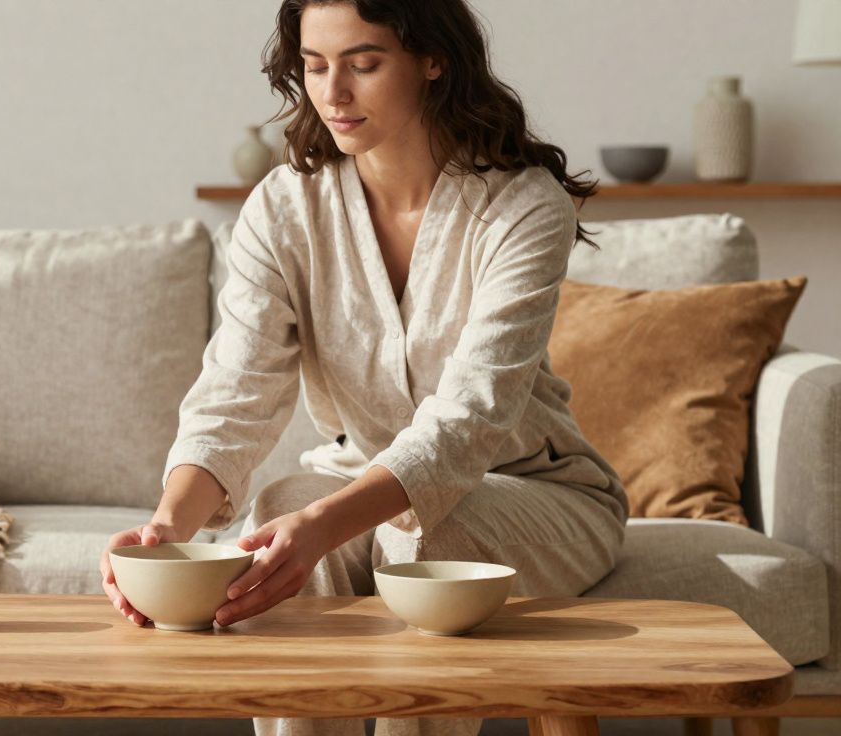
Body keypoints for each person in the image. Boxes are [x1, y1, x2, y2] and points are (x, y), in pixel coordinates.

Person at [100, 1, 630, 734]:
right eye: (315, 67)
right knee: (284, 507)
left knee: (428, 535)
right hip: (355, 475)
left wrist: (324, 523)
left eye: (364, 64)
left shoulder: (522, 207)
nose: (334, 93)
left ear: (433, 59)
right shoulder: (283, 209)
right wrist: (166, 531)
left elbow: (471, 415)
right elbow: (234, 393)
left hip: (538, 492)